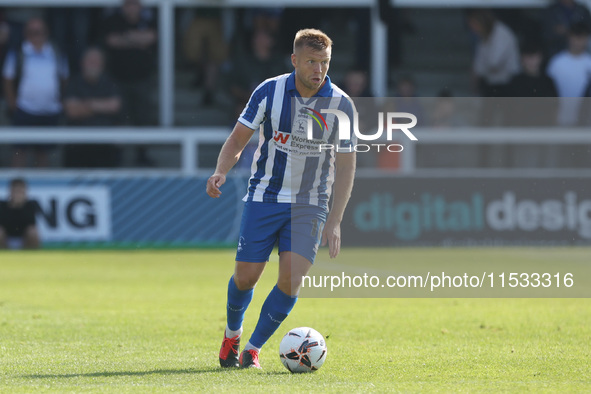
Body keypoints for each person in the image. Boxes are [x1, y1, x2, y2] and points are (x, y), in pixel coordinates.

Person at [206, 29, 356, 369]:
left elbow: (347, 165)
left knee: (291, 280)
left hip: (311, 203)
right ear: (295, 61)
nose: (319, 70)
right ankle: (232, 334)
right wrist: (220, 171)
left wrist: (335, 220)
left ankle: (252, 350)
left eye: (325, 63)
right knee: (246, 278)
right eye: (311, 62)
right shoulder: (269, 91)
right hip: (265, 195)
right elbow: (238, 138)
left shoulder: (341, 104)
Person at [2, 17, 69, 167]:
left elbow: (64, 78)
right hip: (24, 109)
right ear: (26, 34)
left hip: (50, 110)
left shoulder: (56, 52)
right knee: (19, 152)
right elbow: (7, 79)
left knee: (43, 154)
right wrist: (13, 104)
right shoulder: (18, 52)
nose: (36, 35)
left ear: (47, 33)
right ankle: (16, 186)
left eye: (40, 32)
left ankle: (42, 188)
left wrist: (58, 99)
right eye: (32, 32)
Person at [63, 47, 122, 168]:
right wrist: (102, 106)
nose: (93, 64)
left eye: (96, 61)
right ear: (82, 63)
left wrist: (86, 104)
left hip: (105, 145)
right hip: (78, 145)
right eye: (90, 61)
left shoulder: (110, 83)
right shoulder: (74, 83)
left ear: (103, 64)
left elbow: (115, 106)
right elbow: (72, 111)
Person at [547, 21, 591, 126]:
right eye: (576, 37)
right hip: (560, 119)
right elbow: (549, 92)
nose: (578, 42)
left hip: (586, 121)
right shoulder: (556, 62)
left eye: (582, 38)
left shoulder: (589, 62)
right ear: (569, 37)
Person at [0, 178, 39, 250]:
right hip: (6, 238)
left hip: (23, 238)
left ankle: (32, 256)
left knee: (33, 232)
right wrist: (13, 206)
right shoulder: (2, 206)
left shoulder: (30, 206)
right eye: (16, 191)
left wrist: (19, 206)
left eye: (21, 192)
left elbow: (31, 225)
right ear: (11, 192)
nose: (18, 194)